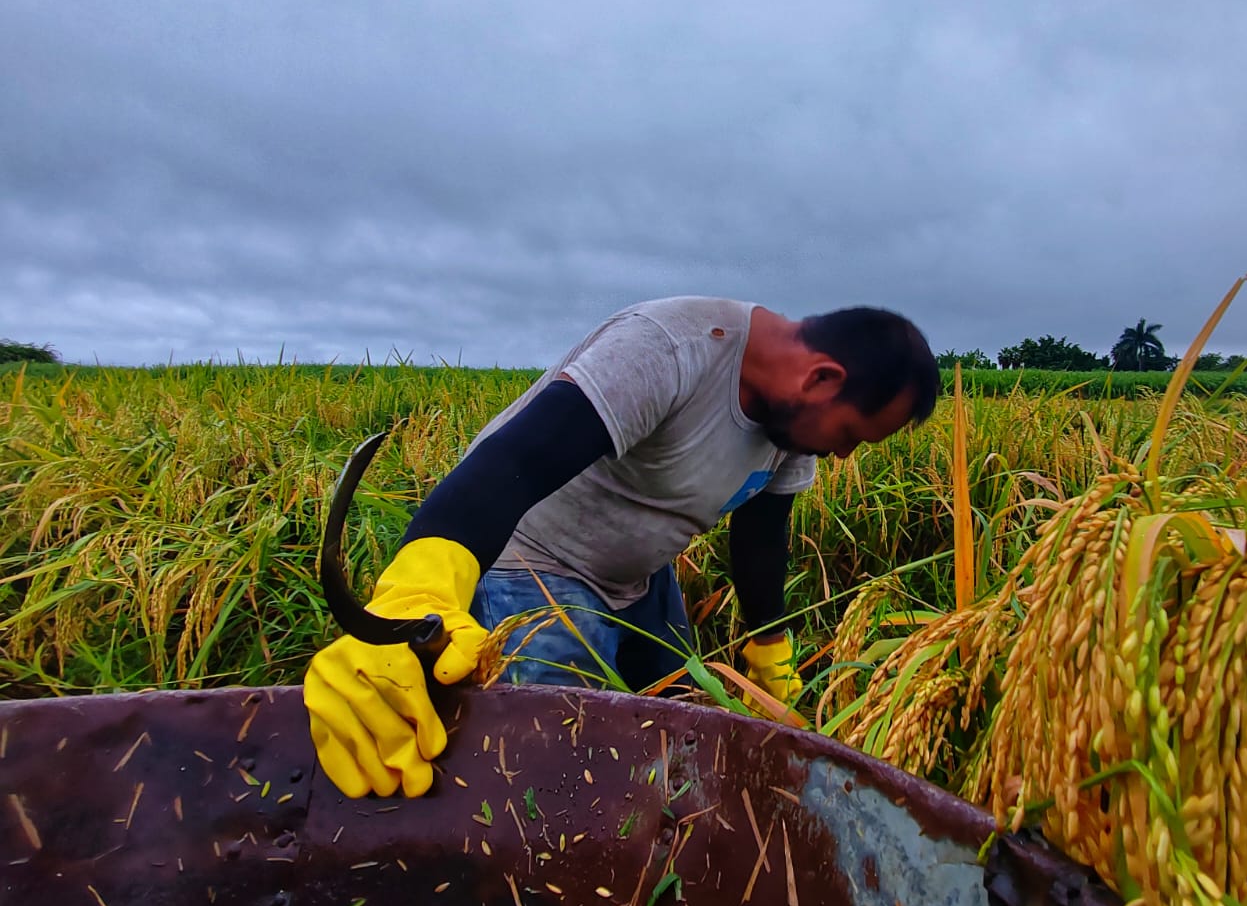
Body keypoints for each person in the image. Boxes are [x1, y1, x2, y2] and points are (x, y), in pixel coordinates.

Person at [304, 296, 940, 799]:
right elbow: (514, 462)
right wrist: (416, 591)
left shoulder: (791, 431)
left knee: (677, 737)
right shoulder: (669, 348)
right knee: (539, 770)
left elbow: (760, 537)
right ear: (822, 378)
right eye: (852, 434)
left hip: (638, 579)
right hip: (537, 565)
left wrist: (769, 647)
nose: (843, 454)